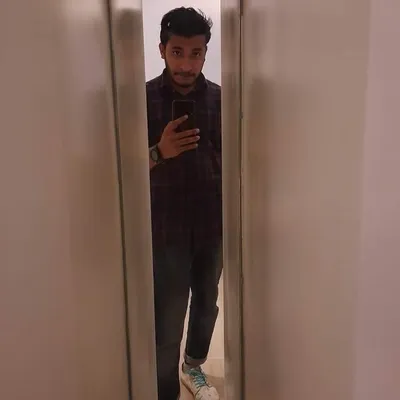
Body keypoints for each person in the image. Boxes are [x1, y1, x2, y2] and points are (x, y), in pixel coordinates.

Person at [146, 7, 222, 400]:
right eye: (177, 52)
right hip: (165, 228)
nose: (187, 64)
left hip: (213, 224)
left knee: (207, 305)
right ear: (162, 50)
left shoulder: (222, 99)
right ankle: (164, 392)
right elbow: (118, 167)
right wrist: (160, 151)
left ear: (206, 53)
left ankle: (193, 368)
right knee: (168, 318)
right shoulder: (139, 99)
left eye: (196, 53)